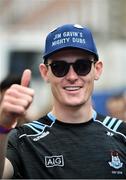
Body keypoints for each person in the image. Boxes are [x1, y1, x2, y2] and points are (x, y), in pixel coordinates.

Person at [0, 24, 126, 179]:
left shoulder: (121, 133)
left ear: (97, 69)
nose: (72, 77)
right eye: (59, 67)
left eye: (82, 66)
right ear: (45, 73)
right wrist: (3, 126)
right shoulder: (24, 138)